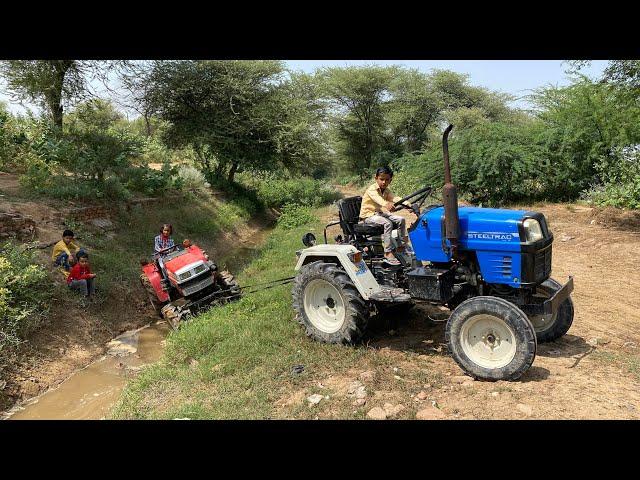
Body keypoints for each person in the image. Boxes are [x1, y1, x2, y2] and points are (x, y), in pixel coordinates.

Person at [359, 166, 411, 265]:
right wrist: (386, 204)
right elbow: (378, 199)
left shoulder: (386, 190)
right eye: (381, 179)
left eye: (387, 180)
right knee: (387, 223)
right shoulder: (372, 189)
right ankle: (387, 252)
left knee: (401, 219)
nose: (384, 182)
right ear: (376, 178)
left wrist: (408, 204)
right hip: (367, 216)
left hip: (378, 214)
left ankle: (401, 247)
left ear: (390, 180)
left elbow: (394, 198)